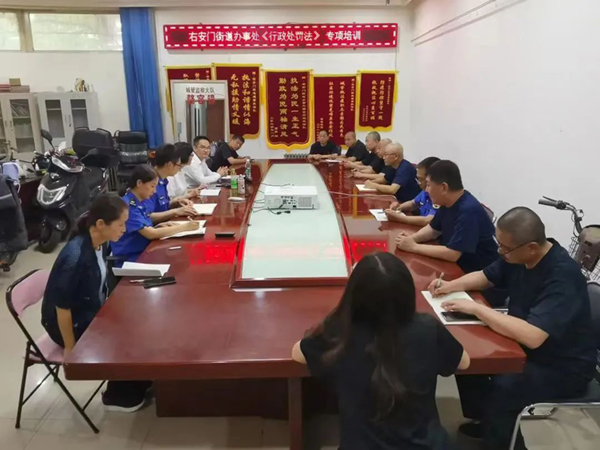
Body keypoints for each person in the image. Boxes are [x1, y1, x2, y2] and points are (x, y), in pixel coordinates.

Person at [430, 207, 597, 450]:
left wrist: (478, 309)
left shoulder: (562, 276)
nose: (500, 251)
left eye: (505, 248)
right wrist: (448, 286)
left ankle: (502, 442)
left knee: (506, 385)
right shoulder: (519, 255)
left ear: (531, 247)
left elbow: (533, 336)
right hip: (523, 343)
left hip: (563, 365)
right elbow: (486, 276)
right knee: (464, 359)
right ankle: (487, 421)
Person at [292, 252, 470, 450]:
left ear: (354, 294)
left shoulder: (339, 333)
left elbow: (297, 353)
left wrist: (337, 318)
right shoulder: (427, 327)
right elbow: (463, 362)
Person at [41, 194, 151, 412]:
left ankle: (138, 378)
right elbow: (62, 308)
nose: (124, 229)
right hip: (67, 325)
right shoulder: (75, 257)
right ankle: (118, 395)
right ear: (101, 224)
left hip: (91, 311)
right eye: (120, 224)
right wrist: (71, 348)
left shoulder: (101, 243)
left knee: (140, 319)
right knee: (124, 335)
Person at [395, 160, 498, 274]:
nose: (426, 190)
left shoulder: (468, 211)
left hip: (476, 271)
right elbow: (433, 229)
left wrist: (413, 247)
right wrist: (412, 239)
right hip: (456, 264)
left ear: (444, 187)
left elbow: (453, 254)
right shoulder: (447, 202)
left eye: (428, 185)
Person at [111, 165, 199, 263]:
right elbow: (151, 234)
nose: (154, 191)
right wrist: (185, 227)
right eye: (152, 186)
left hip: (146, 250)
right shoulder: (129, 206)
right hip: (133, 258)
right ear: (139, 183)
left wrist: (159, 226)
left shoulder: (139, 201)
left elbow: (144, 225)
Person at [146, 144, 197, 223]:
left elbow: (163, 206)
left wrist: (177, 202)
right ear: (169, 165)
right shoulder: (149, 182)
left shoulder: (163, 181)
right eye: (178, 165)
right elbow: (147, 216)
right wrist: (175, 212)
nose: (179, 169)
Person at [385, 156, 441, 226]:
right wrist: (399, 207)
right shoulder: (425, 191)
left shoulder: (440, 196)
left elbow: (429, 220)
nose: (419, 183)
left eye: (421, 179)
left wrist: (399, 218)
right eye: (418, 179)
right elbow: (413, 203)